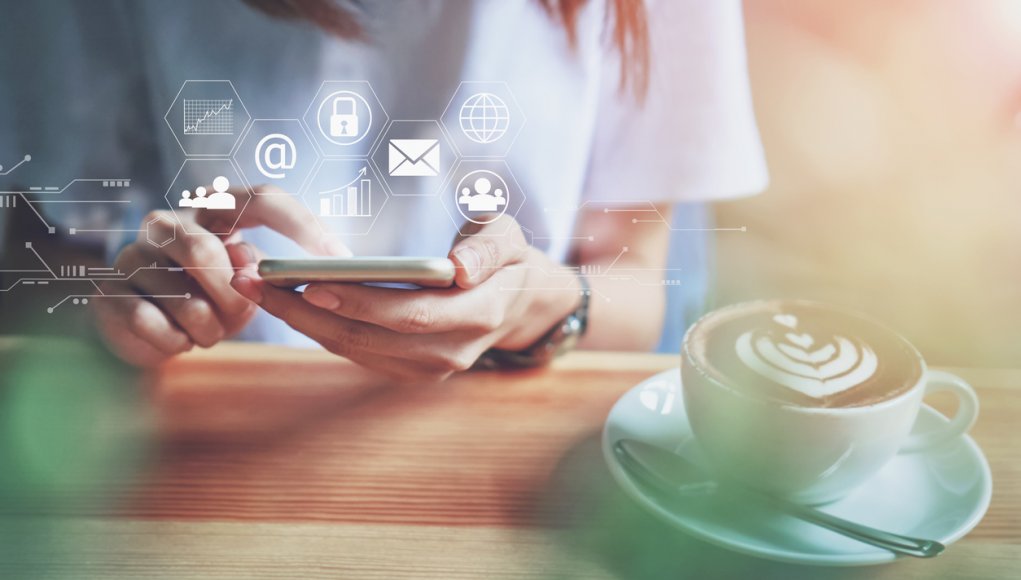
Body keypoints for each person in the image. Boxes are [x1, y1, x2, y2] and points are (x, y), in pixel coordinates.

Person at [1, 0, 767, 380]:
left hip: (515, 422)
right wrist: (123, 304)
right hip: (209, 425)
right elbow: (48, 267)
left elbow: (636, 289)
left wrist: (543, 303)